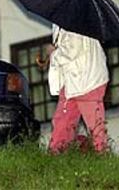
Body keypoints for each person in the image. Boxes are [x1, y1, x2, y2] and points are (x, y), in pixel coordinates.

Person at [45, 24, 109, 154]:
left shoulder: (75, 20)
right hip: (74, 80)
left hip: (88, 80)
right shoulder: (70, 20)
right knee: (63, 118)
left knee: (94, 123)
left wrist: (54, 54)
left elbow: (73, 49)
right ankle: (56, 151)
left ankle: (101, 153)